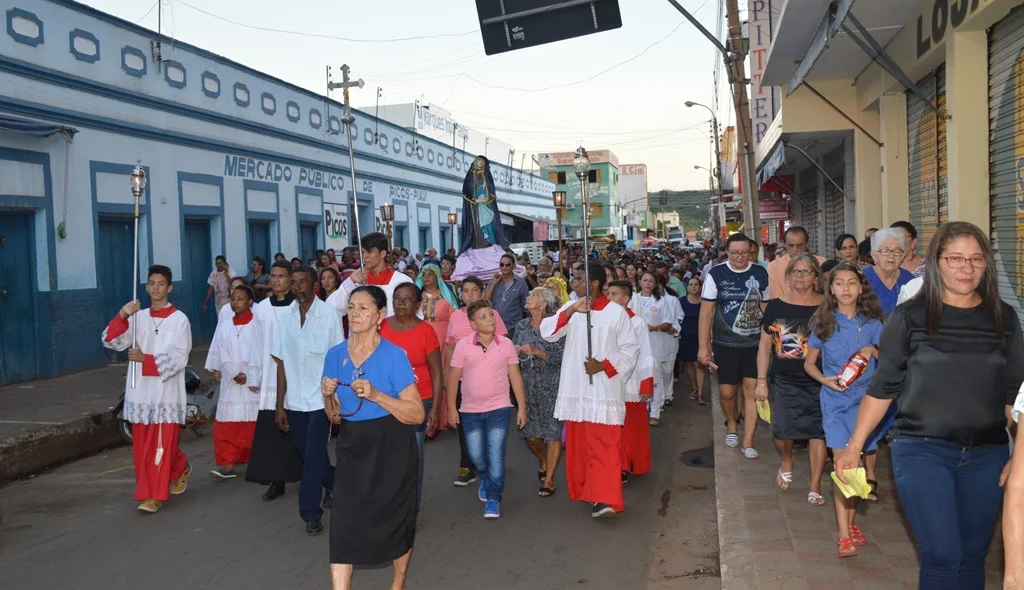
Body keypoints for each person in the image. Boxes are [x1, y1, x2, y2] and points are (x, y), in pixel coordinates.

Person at [835, 222, 1024, 582]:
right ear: (935, 263)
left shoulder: (1005, 318)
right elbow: (883, 387)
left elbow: (1015, 396)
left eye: (975, 259)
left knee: (972, 556)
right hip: (922, 450)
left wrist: (1019, 456)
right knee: (942, 554)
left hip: (988, 455)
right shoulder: (909, 317)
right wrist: (854, 446)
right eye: (955, 259)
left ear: (986, 265)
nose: (966, 268)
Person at [320, 286, 424, 590]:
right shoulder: (335, 355)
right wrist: (328, 398)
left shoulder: (393, 356)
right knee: (344, 522)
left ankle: (397, 584)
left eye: (364, 308)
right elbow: (335, 417)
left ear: (380, 315)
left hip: (391, 446)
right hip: (353, 446)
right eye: (352, 307)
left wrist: (378, 395)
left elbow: (417, 414)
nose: (355, 314)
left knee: (395, 519)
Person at [541, 264, 640, 518]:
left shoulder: (617, 313)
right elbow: (548, 332)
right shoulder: (572, 308)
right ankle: (588, 492)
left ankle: (606, 499)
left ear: (595, 283)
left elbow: (631, 350)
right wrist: (572, 309)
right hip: (576, 387)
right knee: (581, 445)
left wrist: (604, 366)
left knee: (605, 445)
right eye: (575, 278)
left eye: (580, 279)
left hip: (604, 389)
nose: (574, 282)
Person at [803, 263, 885, 558]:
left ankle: (850, 525)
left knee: (858, 466)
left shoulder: (875, 324)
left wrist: (872, 350)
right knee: (843, 466)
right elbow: (808, 363)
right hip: (835, 402)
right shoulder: (824, 323)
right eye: (840, 283)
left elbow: (890, 361)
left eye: (852, 283)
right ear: (832, 289)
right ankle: (843, 536)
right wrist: (823, 379)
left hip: (866, 404)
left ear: (861, 287)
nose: (846, 289)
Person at [101, 265, 192, 513]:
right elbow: (112, 341)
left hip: (165, 393)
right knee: (143, 448)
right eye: (151, 283)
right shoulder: (138, 317)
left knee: (161, 446)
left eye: (161, 284)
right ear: (146, 287)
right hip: (140, 393)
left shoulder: (180, 320)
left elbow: (179, 358)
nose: (155, 288)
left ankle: (155, 495)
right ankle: (179, 466)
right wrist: (122, 315)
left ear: (169, 287)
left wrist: (146, 359)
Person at [272, 266, 344, 536]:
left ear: (315, 285)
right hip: (295, 402)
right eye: (294, 282)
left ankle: (311, 513)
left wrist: (333, 400)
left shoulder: (328, 315)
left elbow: (337, 359)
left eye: (303, 282)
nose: (297, 287)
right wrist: (280, 405)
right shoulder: (287, 317)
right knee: (304, 452)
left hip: (320, 400)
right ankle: (336, 482)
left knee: (313, 456)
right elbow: (281, 363)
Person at [754, 254, 827, 506]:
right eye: (796, 271)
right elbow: (764, 347)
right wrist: (761, 380)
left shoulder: (827, 306)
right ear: (787, 275)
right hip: (784, 378)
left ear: (816, 276)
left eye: (807, 272)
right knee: (782, 430)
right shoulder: (775, 306)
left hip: (820, 379)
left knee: (818, 432)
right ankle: (787, 460)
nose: (801, 277)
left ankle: (815, 484)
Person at [447, 300, 528, 518]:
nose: (490, 320)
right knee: (476, 455)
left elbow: (516, 377)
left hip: (499, 408)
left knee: (496, 454)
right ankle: (485, 477)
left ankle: (493, 497)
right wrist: (450, 409)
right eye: (483, 317)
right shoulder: (463, 345)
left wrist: (522, 407)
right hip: (470, 410)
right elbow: (453, 377)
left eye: (491, 315)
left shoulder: (506, 344)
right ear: (473, 324)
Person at [699, 233, 770, 459]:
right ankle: (731, 422)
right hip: (724, 344)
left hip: (754, 345)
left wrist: (771, 341)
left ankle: (748, 440)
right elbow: (706, 311)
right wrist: (703, 346)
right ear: (727, 252)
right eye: (735, 253)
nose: (740, 257)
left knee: (751, 391)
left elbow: (766, 309)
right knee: (727, 392)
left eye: (745, 252)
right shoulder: (716, 274)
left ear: (751, 252)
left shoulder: (760, 273)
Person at [379, 283, 442, 506]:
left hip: (419, 400)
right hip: (384, 401)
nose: (401, 303)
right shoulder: (381, 327)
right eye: (397, 298)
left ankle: (411, 503)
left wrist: (435, 408)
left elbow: (436, 372)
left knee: (413, 453)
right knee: (386, 453)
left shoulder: (426, 331)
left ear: (417, 305)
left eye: (407, 300)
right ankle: (390, 499)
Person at [444, 276, 509, 486]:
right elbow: (450, 348)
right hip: (463, 381)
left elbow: (504, 346)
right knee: (464, 426)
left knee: (490, 426)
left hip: (490, 382)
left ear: (482, 293)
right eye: (465, 291)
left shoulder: (493, 316)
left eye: (474, 290)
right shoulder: (455, 317)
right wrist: (448, 377)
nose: (469, 295)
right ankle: (467, 466)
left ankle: (491, 462)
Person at [246, 261, 302, 501]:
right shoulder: (262, 309)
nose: (277, 280)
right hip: (271, 374)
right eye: (274, 276)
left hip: (298, 375)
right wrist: (255, 374)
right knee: (272, 433)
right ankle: (275, 481)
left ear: (291, 279)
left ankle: (309, 475)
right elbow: (256, 343)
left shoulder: (300, 307)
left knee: (299, 430)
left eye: (282, 276)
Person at [513, 288, 566, 497]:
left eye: (533, 295)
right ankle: (543, 460)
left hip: (552, 385)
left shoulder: (555, 326)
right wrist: (516, 352)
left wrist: (537, 352)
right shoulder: (521, 325)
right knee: (531, 435)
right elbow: (513, 356)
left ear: (544, 303)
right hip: (527, 386)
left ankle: (550, 479)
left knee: (553, 434)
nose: (528, 297)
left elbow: (563, 357)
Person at [205, 285, 261, 479]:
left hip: (252, 380)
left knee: (251, 424)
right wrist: (232, 373)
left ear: (250, 302)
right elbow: (223, 352)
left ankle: (255, 461)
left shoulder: (258, 325)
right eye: (233, 299)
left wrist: (247, 374)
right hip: (231, 382)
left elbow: (260, 351)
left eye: (240, 299)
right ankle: (227, 464)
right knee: (226, 425)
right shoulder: (226, 326)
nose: (235, 303)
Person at [607, 280, 655, 482]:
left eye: (614, 294)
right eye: (608, 293)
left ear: (626, 299)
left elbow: (645, 352)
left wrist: (646, 382)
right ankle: (617, 464)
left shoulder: (637, 323)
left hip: (632, 382)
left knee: (631, 428)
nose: (609, 298)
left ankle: (628, 464)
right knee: (613, 427)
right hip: (609, 380)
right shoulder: (604, 320)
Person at [329, 232, 413, 318]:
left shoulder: (402, 281)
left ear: (383, 253)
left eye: (369, 252)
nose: (364, 256)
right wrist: (350, 281)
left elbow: (413, 317)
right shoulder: (357, 282)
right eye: (363, 252)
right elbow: (331, 308)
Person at [633, 271, 678, 426]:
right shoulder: (633, 299)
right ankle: (642, 408)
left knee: (656, 379)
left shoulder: (661, 302)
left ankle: (655, 413)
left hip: (656, 345)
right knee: (639, 378)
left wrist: (653, 328)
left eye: (651, 281)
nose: (648, 283)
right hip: (637, 346)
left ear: (655, 284)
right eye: (645, 280)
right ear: (639, 282)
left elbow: (668, 323)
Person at [864, 228, 914, 315]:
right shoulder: (862, 278)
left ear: (902, 256)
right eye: (885, 250)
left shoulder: (908, 279)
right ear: (874, 256)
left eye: (897, 251)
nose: (891, 255)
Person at [767, 227, 826, 300]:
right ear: (784, 244)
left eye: (800, 245)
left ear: (806, 244)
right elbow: (776, 298)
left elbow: (826, 292)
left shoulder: (821, 262)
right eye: (791, 246)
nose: (795, 249)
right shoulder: (774, 266)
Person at [485, 253, 529, 339]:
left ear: (513, 266)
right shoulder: (494, 281)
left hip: (514, 327)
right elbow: (485, 301)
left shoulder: (521, 283)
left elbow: (526, 306)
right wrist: (494, 283)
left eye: (508, 264)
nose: (504, 267)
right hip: (494, 326)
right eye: (502, 264)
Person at [679, 276, 705, 405]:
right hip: (685, 337)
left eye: (696, 284)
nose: (693, 286)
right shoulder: (682, 301)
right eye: (691, 284)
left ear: (700, 287)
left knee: (699, 364)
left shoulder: (704, 302)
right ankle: (694, 388)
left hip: (700, 337)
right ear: (687, 287)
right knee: (690, 363)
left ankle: (700, 392)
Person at [203, 255, 236, 319]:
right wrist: (205, 303)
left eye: (220, 263)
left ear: (224, 263)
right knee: (221, 321)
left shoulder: (230, 271)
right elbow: (210, 289)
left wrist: (226, 273)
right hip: (218, 303)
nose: (218, 265)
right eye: (217, 263)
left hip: (229, 302)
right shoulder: (213, 274)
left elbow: (233, 284)